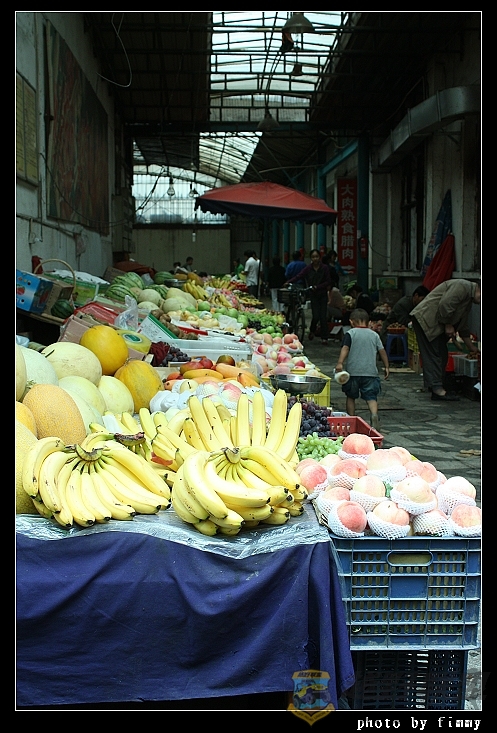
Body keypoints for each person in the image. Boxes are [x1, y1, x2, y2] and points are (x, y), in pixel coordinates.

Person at [410, 279, 481, 402]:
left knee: (442, 354)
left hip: (435, 324)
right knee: (434, 354)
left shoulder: (468, 300)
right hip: (426, 321)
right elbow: (445, 304)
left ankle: (437, 385)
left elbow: (463, 325)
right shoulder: (462, 287)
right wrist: (448, 324)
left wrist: (471, 347)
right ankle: (437, 389)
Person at [335, 308, 390, 429]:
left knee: (351, 396)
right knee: (371, 397)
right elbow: (382, 351)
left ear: (351, 321)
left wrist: (340, 363)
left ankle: (351, 418)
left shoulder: (351, 333)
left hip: (353, 373)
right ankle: (374, 415)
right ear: (368, 322)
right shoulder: (374, 335)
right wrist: (386, 366)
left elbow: (345, 348)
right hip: (370, 373)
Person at [285, 248, 332, 344]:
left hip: (322, 294)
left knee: (323, 316)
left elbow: (328, 281)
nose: (315, 259)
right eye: (313, 257)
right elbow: (299, 276)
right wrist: (289, 282)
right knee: (316, 316)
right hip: (313, 295)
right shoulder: (308, 268)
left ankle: (324, 337)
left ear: (319, 257)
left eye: (317, 256)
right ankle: (312, 330)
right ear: (311, 258)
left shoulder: (325, 268)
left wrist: (318, 287)